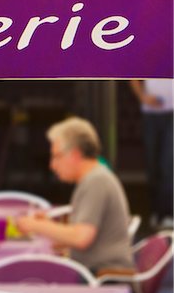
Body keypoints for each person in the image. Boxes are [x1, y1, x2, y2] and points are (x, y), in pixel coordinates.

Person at [17, 117, 134, 275]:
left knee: (28, 276)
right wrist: (48, 226)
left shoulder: (96, 181)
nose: (52, 165)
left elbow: (81, 238)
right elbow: (80, 235)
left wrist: (36, 226)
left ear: (74, 155)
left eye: (56, 156)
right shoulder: (94, 178)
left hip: (103, 276)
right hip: (94, 271)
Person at [130, 79, 173, 229]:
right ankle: (156, 212)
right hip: (150, 113)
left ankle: (167, 214)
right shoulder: (147, 54)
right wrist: (143, 97)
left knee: (168, 164)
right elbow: (134, 76)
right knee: (152, 165)